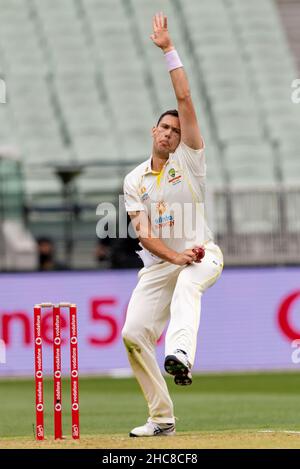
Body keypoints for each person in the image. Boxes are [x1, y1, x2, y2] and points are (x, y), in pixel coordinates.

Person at [122, 13, 224, 437]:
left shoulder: (190, 161)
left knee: (188, 283)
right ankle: (162, 419)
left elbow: (185, 100)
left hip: (202, 255)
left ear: (184, 140)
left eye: (175, 131)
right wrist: (173, 255)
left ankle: (181, 352)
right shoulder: (134, 179)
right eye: (163, 128)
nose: (168, 134)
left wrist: (168, 50)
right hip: (162, 263)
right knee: (131, 334)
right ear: (153, 131)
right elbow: (144, 233)